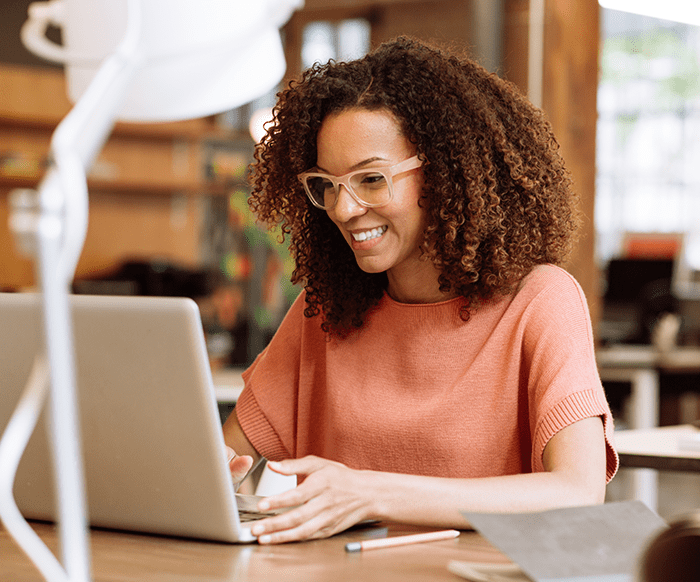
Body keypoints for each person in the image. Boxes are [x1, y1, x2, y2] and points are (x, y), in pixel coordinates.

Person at [223, 36, 618, 544]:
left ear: (445, 171)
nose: (344, 210)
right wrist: (212, 471)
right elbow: (226, 456)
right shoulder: (322, 310)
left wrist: (371, 493)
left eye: (371, 180)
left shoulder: (540, 301)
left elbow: (578, 492)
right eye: (327, 184)